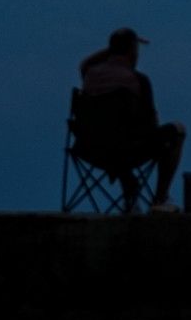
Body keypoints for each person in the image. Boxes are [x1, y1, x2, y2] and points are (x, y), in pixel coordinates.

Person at [78, 27, 185, 212]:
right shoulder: (137, 80)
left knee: (113, 135)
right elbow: (151, 126)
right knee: (177, 131)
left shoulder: (90, 74)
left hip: (89, 149)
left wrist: (114, 47)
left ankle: (130, 189)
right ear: (132, 51)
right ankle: (159, 200)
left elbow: (85, 62)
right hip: (125, 152)